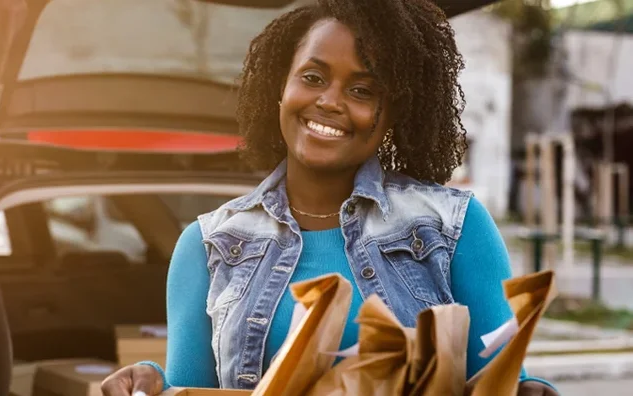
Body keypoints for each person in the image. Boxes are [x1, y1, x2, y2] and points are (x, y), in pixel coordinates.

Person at [100, 0, 559, 395]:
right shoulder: (207, 245)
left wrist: (529, 388)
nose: (330, 102)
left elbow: (500, 380)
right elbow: (192, 389)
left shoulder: (455, 229)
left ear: (394, 112)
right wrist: (153, 380)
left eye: (361, 90)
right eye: (313, 77)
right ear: (281, 87)